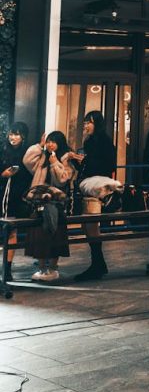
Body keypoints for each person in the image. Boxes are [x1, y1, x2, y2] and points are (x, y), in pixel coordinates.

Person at [69, 111, 116, 281]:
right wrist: (77, 160)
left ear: (97, 124)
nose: (86, 126)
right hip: (87, 188)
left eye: (89, 122)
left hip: (97, 190)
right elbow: (86, 167)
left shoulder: (105, 142)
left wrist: (85, 161)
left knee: (91, 225)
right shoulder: (89, 142)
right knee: (87, 226)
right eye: (85, 123)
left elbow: (108, 166)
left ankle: (97, 264)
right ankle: (98, 263)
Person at [23, 131, 75, 282]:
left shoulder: (65, 159)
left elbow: (62, 180)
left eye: (54, 141)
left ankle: (53, 268)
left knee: (55, 233)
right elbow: (27, 161)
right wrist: (39, 146)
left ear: (60, 143)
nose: (50, 144)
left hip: (56, 203)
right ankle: (41, 268)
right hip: (39, 201)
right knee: (39, 234)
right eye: (49, 141)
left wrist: (55, 163)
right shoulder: (43, 157)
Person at [0, 122, 32, 281]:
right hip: (2, 193)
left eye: (17, 134)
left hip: (16, 196)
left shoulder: (27, 153)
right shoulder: (2, 150)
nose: (13, 137)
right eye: (11, 134)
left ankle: (7, 269)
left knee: (11, 231)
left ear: (23, 136)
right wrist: (3, 174)